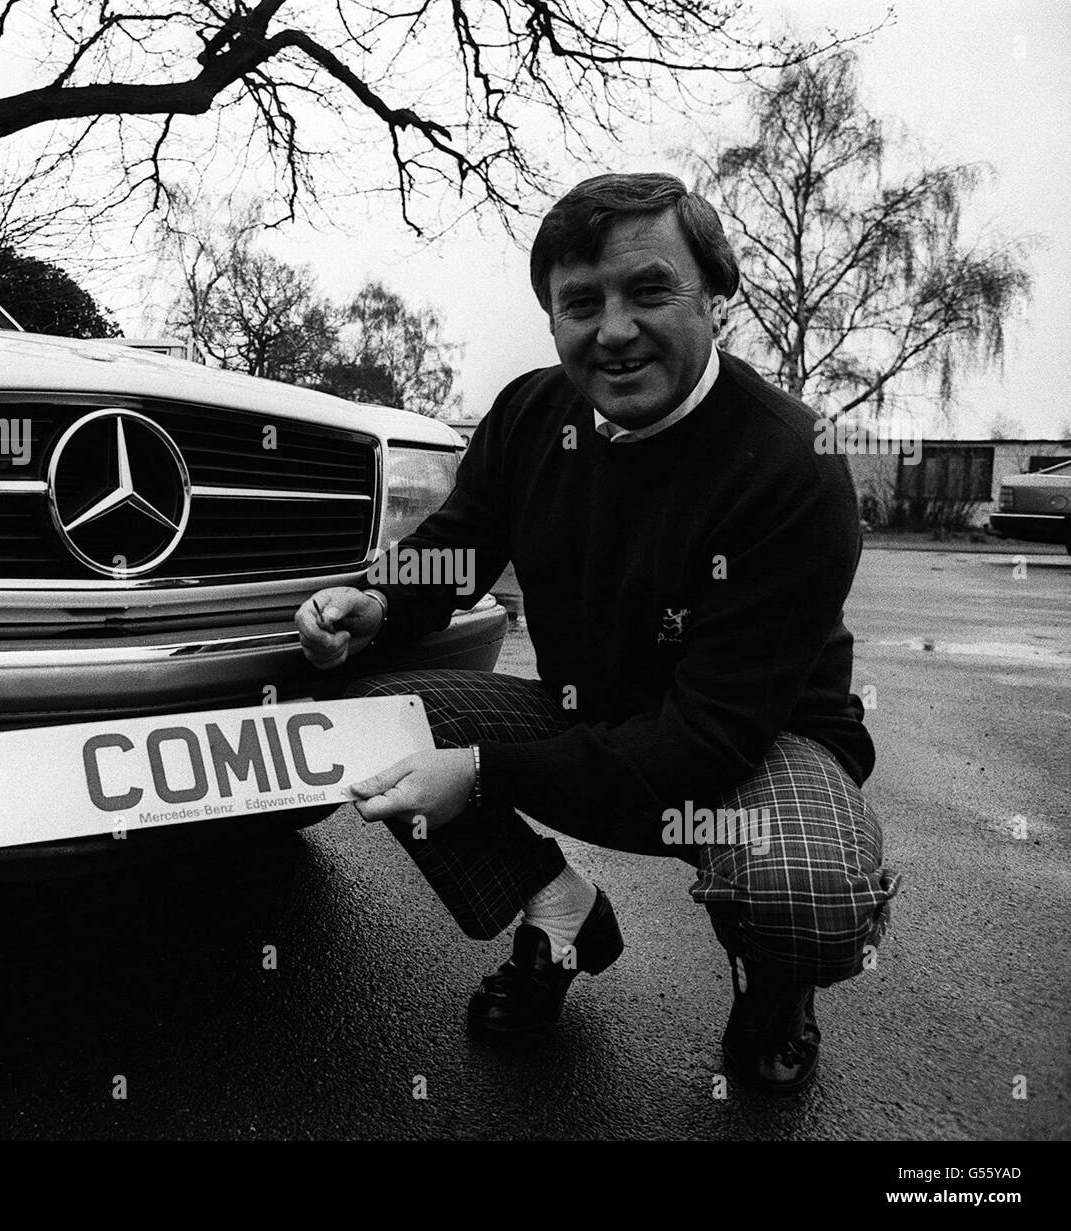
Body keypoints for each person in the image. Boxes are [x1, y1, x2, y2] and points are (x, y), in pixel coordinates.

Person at [295, 172, 900, 1094]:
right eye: (581, 303)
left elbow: (702, 744)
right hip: (585, 715)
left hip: (752, 746)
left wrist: (485, 773)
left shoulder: (792, 466)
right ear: (552, 319)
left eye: (649, 290)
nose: (613, 330)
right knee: (368, 719)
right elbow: (455, 553)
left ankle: (780, 980)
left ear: (716, 293)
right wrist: (376, 603)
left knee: (805, 889)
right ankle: (559, 908)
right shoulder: (531, 415)